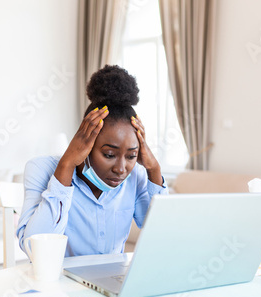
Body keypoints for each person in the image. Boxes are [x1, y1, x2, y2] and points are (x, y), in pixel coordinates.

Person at [16, 65, 168, 257]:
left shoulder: (135, 177)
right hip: (58, 283)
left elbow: (163, 235)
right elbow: (34, 248)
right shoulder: (40, 169)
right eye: (109, 155)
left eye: (131, 156)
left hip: (110, 283)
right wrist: (67, 164)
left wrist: (154, 168)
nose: (121, 169)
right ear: (85, 144)